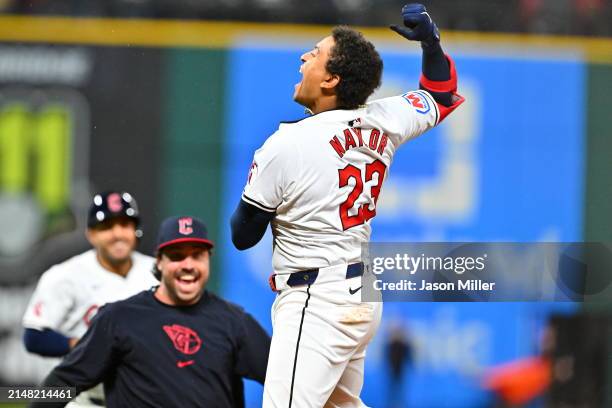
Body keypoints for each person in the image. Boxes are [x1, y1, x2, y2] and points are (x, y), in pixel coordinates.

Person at [230, 3, 464, 407]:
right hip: (359, 296)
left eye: (315, 54)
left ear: (332, 79)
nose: (304, 57)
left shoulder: (286, 145)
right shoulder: (385, 118)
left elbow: (242, 235)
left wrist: (274, 203)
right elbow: (440, 93)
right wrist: (431, 43)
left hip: (314, 300)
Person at [30, 215, 271, 408]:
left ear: (208, 259)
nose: (188, 265)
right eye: (176, 257)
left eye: (196, 256)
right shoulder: (120, 318)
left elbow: (284, 379)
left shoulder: (234, 322)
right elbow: (64, 381)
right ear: (159, 262)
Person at [22, 191, 158, 407]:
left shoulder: (156, 271)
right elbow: (34, 336)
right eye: (107, 227)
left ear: (136, 230)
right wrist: (85, 344)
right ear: (91, 234)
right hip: (83, 400)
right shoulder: (64, 275)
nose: (117, 234)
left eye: (125, 224)